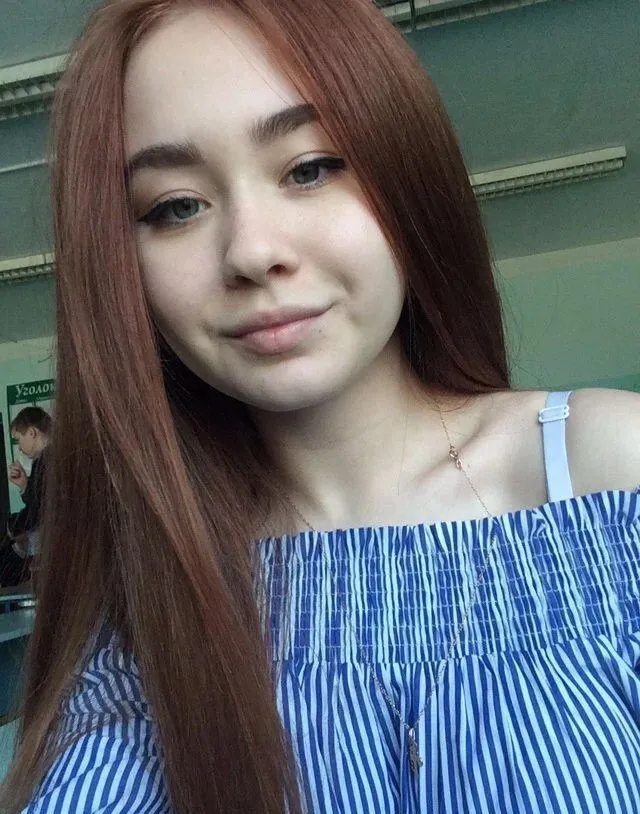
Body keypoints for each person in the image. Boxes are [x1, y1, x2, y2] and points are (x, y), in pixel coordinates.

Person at [1, 0, 639, 812]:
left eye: (309, 168)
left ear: (405, 172)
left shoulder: (607, 471)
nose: (252, 251)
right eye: (175, 206)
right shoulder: (147, 591)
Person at [0, 408, 51, 586]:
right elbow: (40, 500)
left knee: (7, 566)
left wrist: (13, 527)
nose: (19, 448)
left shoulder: (47, 461)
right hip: (50, 535)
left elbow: (39, 510)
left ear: (32, 432)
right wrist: (24, 485)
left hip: (53, 537)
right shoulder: (49, 459)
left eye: (18, 439)